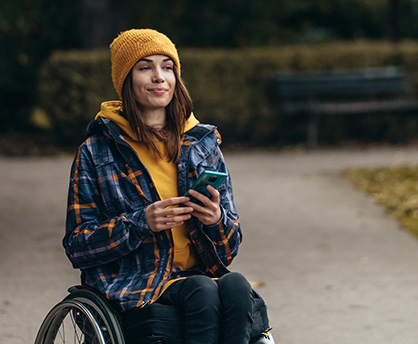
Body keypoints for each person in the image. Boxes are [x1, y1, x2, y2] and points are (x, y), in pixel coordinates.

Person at [63, 28, 268, 344]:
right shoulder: (95, 151)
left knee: (237, 286)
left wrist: (215, 220)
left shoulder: (202, 144)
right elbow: (78, 246)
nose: (159, 77)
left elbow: (228, 251)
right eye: (145, 67)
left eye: (167, 67)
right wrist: (140, 223)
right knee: (202, 290)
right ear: (126, 80)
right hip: (137, 282)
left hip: (198, 278)